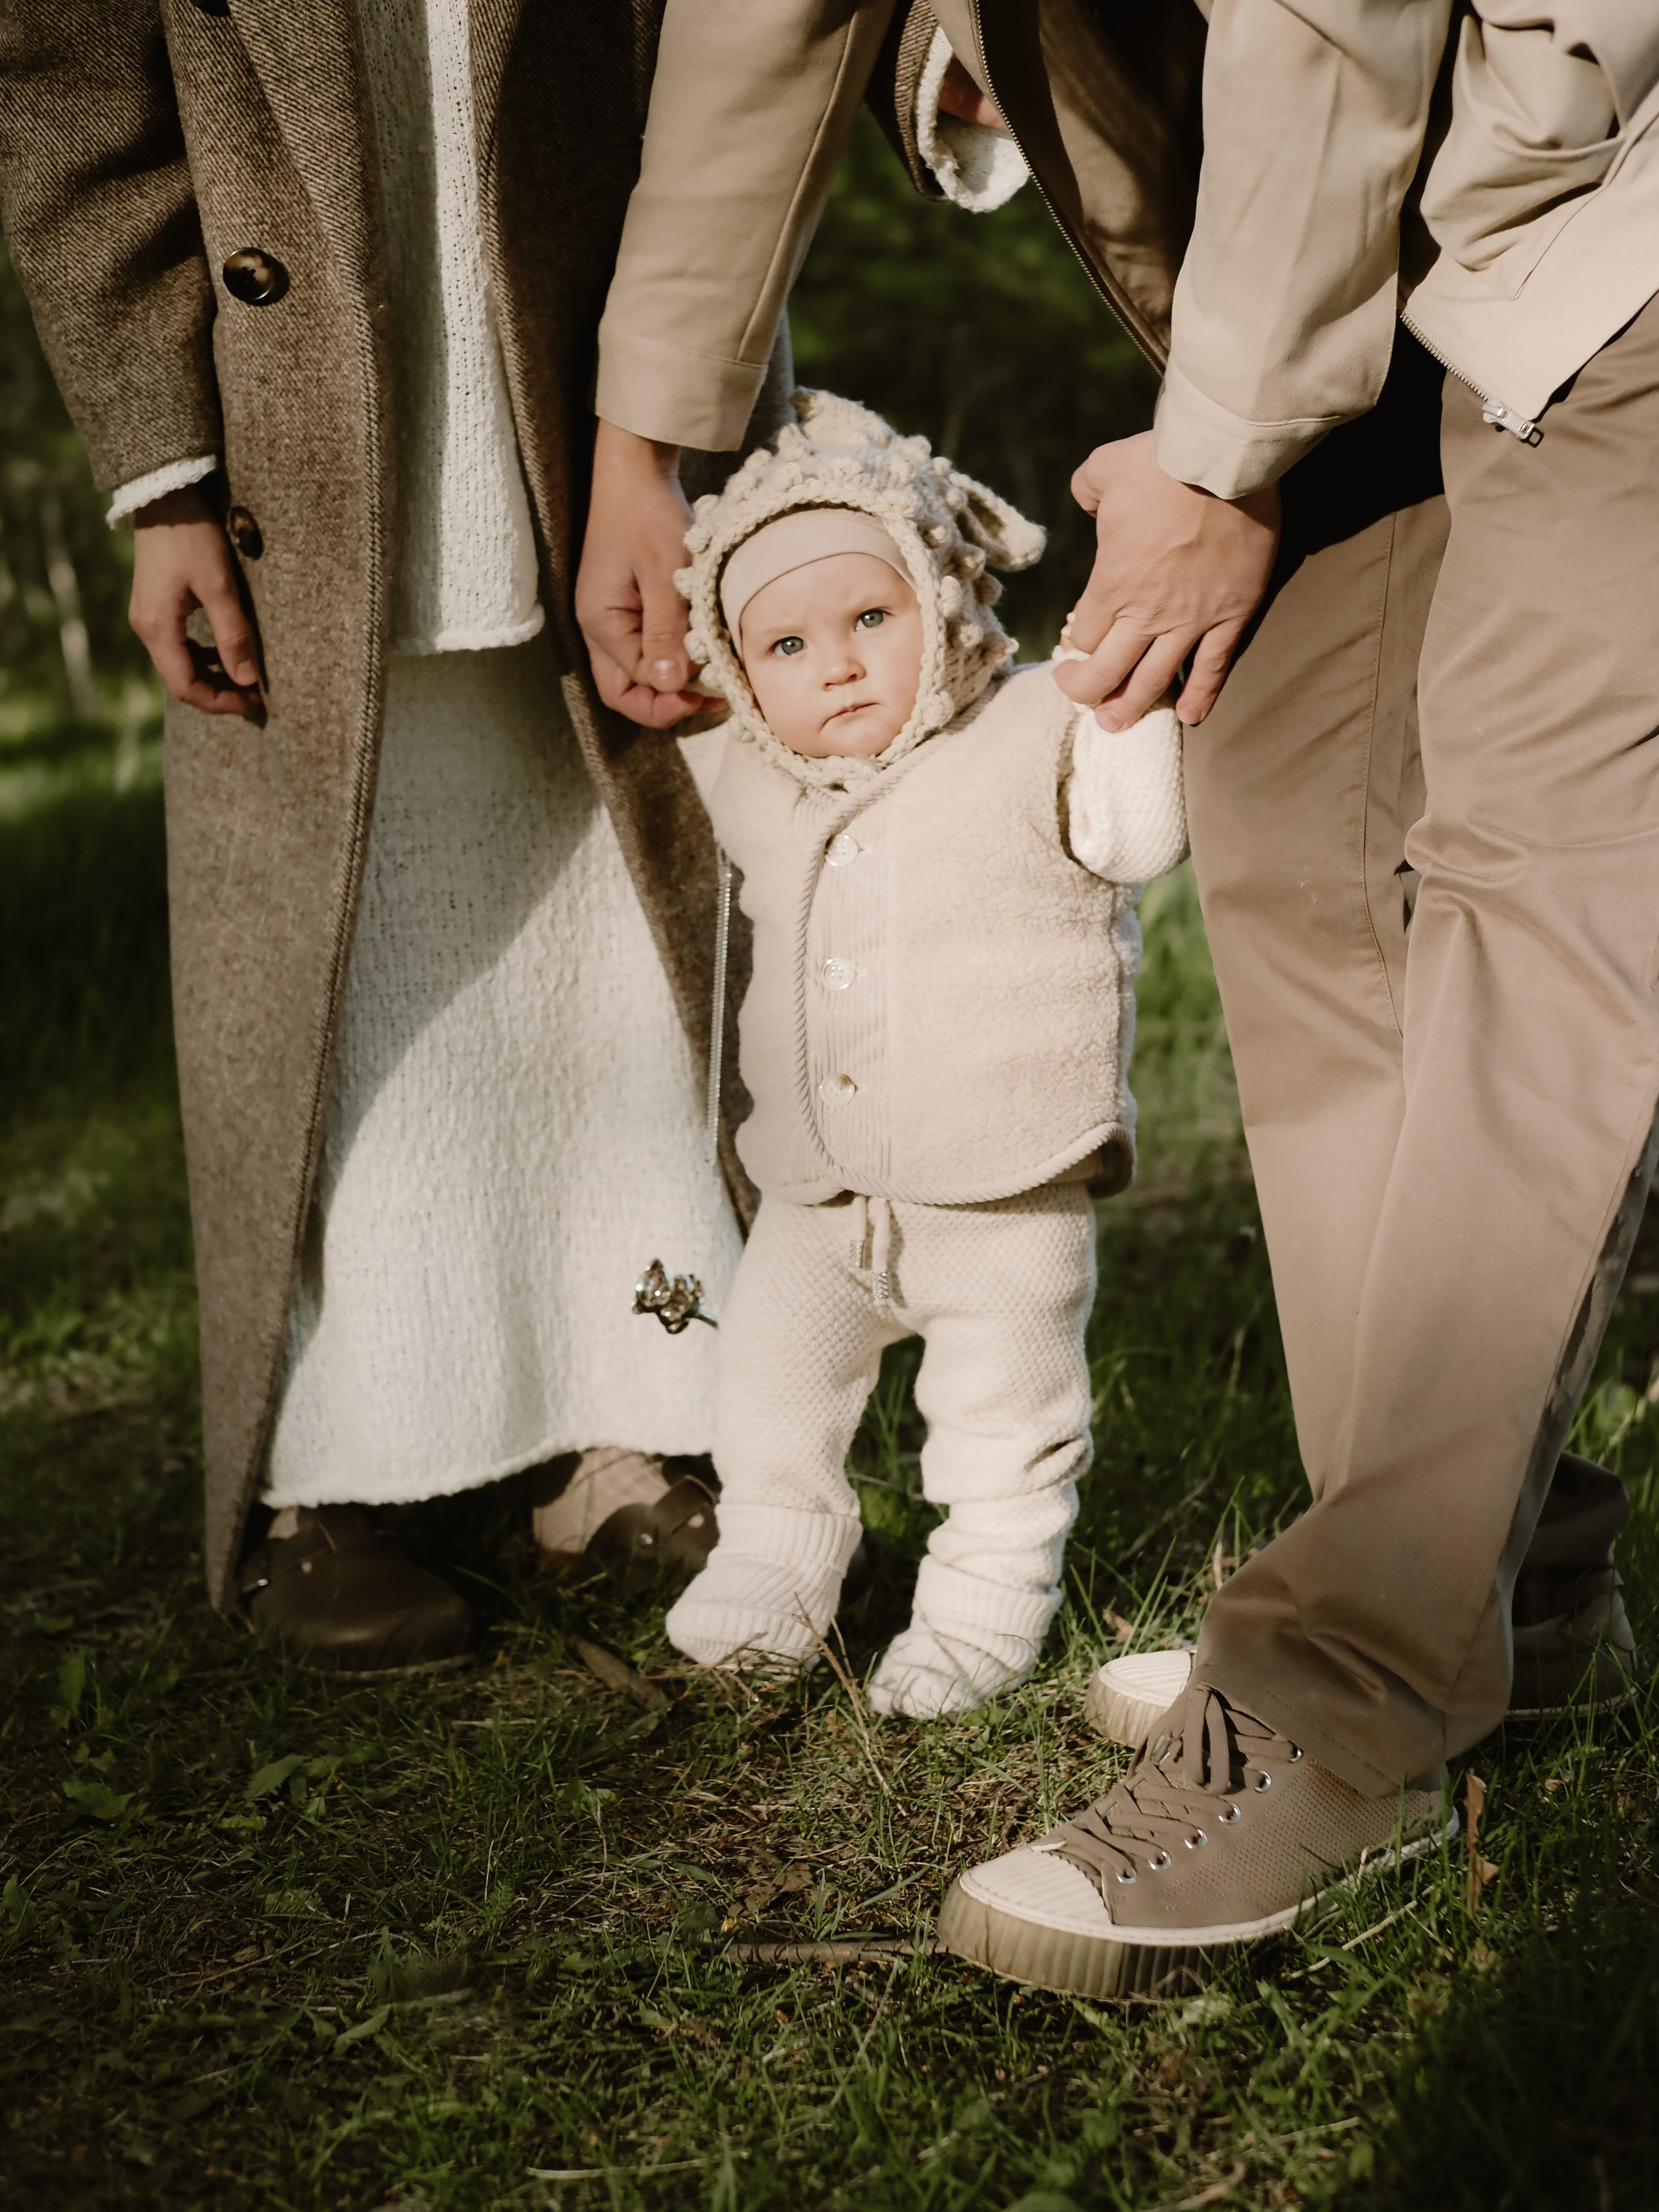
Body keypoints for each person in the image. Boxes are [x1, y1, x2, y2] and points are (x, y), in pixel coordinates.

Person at [579, 0, 1647, 1993]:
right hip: (1358, 260)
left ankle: (1348, 1690)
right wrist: (647, 444)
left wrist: (1222, 450)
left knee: (1541, 880)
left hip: (1606, 213)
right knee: (1294, 828)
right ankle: (1508, 1577)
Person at [0, 1, 791, 1673]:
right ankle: (331, 1466)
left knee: (609, 906)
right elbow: (72, 90)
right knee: (337, 951)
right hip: (278, 426)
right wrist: (162, 475)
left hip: (606, 379)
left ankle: (633, 1411)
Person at [658, 391, 1184, 1717]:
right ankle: (773, 1567)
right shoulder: (751, 772)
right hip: (814, 1195)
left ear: (941, 606)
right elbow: (663, 722)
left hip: (1000, 1186)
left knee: (1003, 1424)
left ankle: (983, 1604)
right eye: (785, 644)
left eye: (870, 619)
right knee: (768, 1394)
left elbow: (1137, 838)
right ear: (740, 670)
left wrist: (1126, 700)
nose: (834, 666)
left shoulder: (1035, 722)